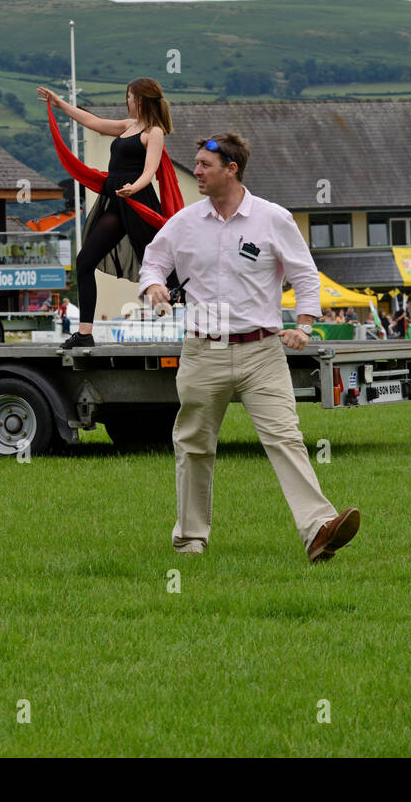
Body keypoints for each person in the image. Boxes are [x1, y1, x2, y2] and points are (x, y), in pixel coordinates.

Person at [137, 132, 358, 562]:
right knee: (193, 446)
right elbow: (153, 259)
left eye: (204, 165)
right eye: (197, 164)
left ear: (231, 170)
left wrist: (307, 326)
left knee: (286, 439)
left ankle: (318, 531)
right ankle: (190, 541)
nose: (196, 172)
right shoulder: (184, 221)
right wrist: (154, 286)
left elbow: (306, 276)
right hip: (203, 351)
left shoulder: (273, 219)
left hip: (262, 352)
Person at [37, 78, 182, 349]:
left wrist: (133, 188)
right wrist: (60, 104)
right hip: (117, 201)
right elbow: (92, 122)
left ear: (139, 99)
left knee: (159, 264)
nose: (125, 101)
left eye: (128, 96)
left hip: (140, 203)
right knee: (84, 262)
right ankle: (85, 333)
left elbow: (150, 171)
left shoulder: (154, 132)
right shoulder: (127, 126)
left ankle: (197, 313)